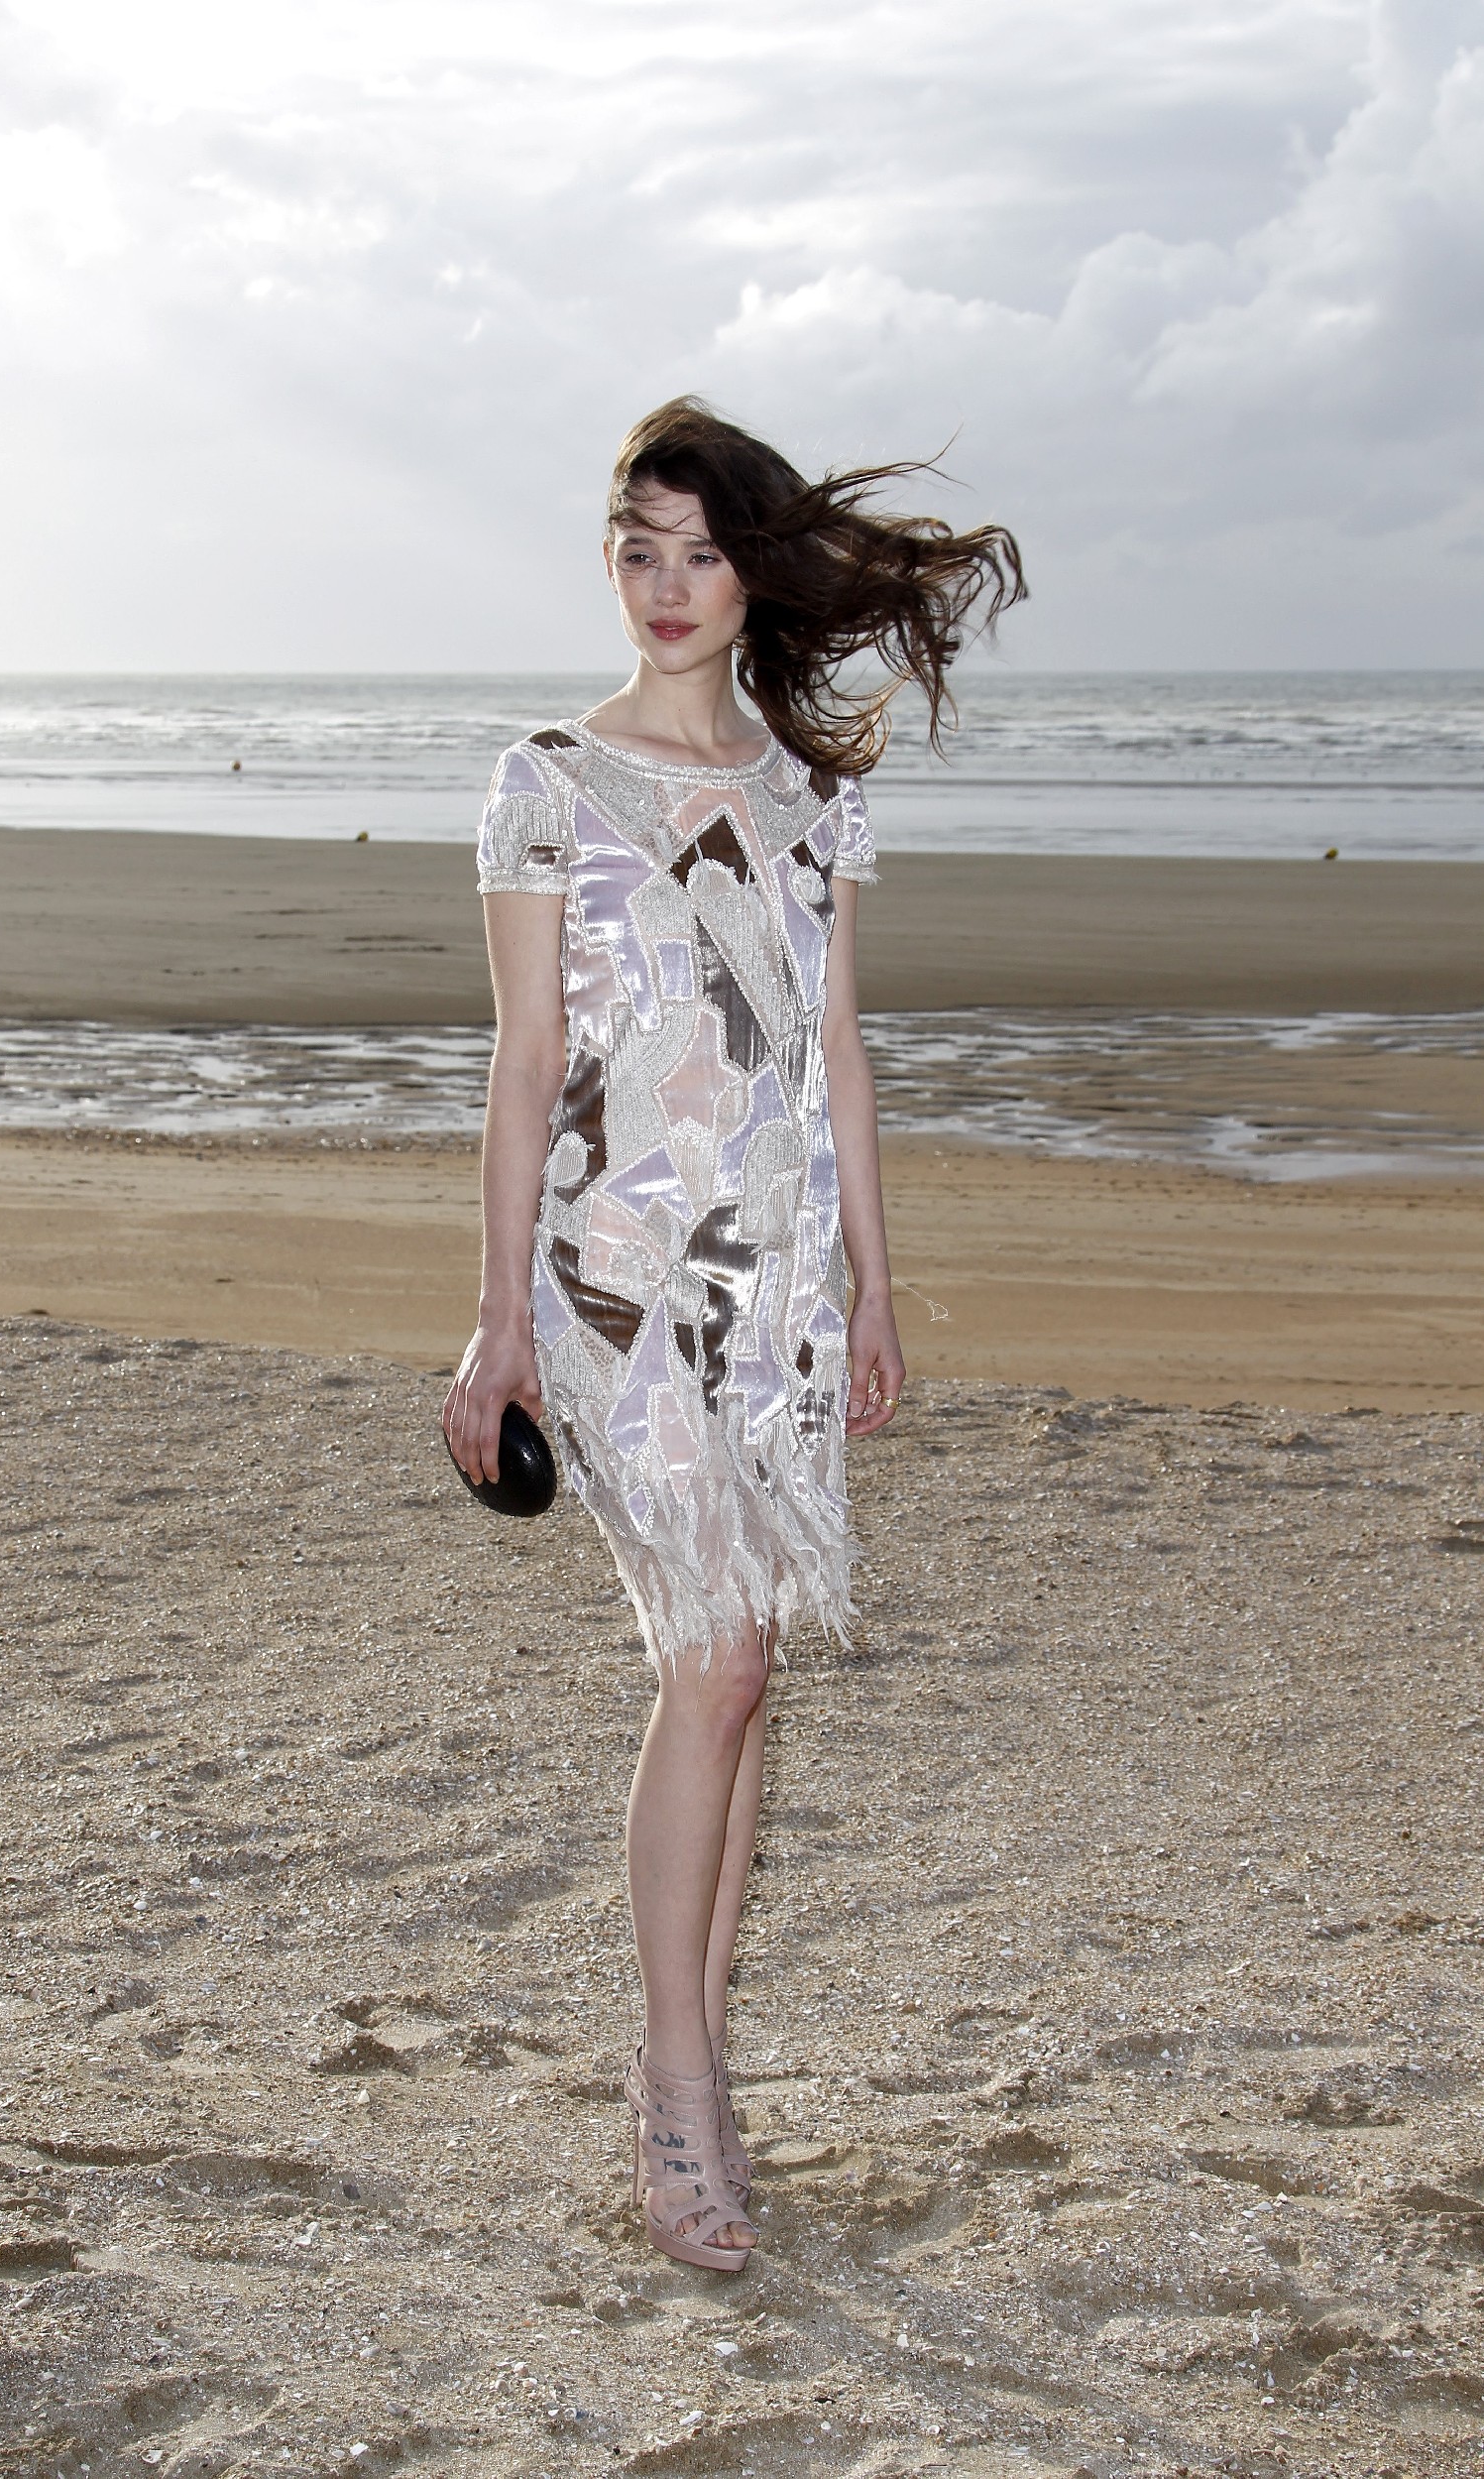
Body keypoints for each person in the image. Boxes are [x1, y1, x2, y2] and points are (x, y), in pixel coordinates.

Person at [443, 398, 1022, 2269]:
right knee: (712, 1660)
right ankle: (679, 2077)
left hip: (769, 1287)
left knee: (743, 1666)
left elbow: (835, 1055)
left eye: (699, 551)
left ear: (751, 572)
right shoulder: (546, 781)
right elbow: (525, 1062)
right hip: (613, 1279)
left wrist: (870, 1280)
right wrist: (495, 1325)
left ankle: (690, 2054)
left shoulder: (808, 799)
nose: (666, 583)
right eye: (638, 546)